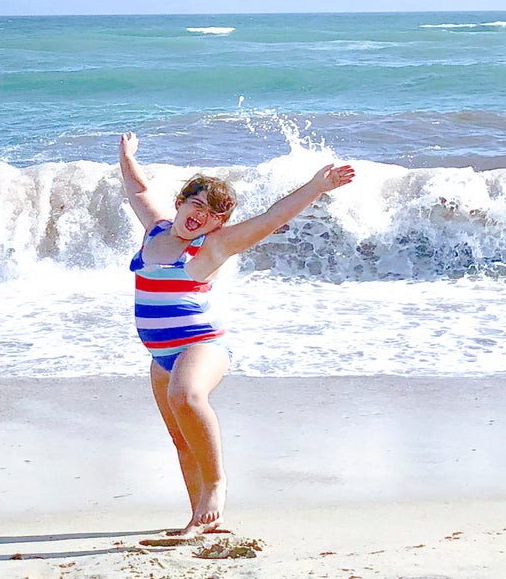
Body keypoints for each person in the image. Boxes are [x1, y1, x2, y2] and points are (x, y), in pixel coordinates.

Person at [119, 131, 354, 537]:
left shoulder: (213, 247)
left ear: (218, 224)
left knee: (186, 397)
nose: (200, 215)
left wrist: (317, 186)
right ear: (180, 203)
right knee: (181, 439)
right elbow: (138, 189)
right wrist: (126, 155)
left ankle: (216, 487)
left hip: (202, 345)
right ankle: (199, 520)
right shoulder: (155, 231)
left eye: (212, 214)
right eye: (195, 204)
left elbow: (271, 218)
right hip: (160, 356)